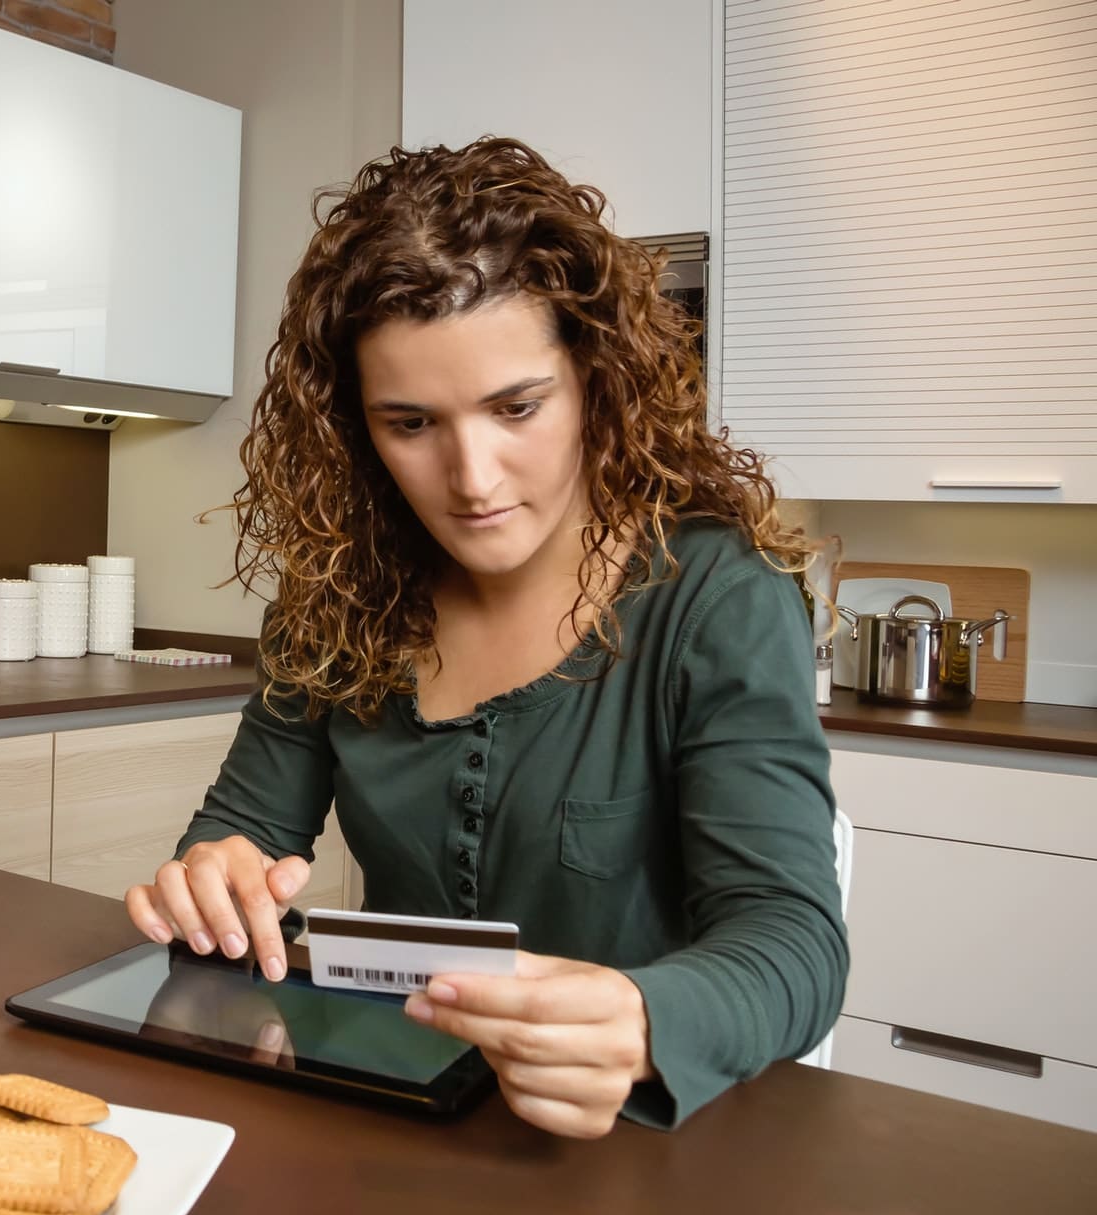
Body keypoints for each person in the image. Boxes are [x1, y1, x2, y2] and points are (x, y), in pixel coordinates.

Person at [123, 137, 847, 1138]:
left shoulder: (717, 598)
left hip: (636, 1153)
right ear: (354, 429)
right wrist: (211, 879)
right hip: (387, 1118)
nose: (471, 477)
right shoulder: (335, 593)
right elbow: (240, 834)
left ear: (597, 375)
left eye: (515, 408)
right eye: (410, 424)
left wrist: (641, 1021)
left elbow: (791, 945)